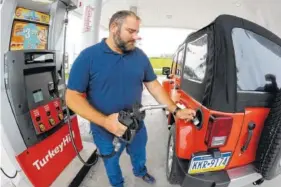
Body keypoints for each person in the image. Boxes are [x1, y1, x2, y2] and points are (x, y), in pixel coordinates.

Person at [65, 10, 196, 187]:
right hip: (105, 131)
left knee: (139, 153)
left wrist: (176, 110)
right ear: (113, 28)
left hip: (136, 124)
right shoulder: (88, 57)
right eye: (131, 31)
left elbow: (154, 85)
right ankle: (118, 184)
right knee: (111, 163)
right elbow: (71, 98)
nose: (136, 37)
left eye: (137, 32)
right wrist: (105, 122)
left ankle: (140, 171)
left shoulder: (140, 56)